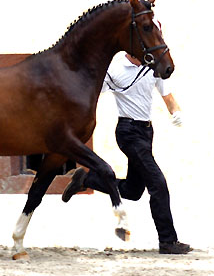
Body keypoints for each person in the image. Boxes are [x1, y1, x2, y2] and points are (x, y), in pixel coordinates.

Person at [62, 52, 191, 254]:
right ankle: (168, 241)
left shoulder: (153, 65)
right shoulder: (114, 69)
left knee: (133, 191)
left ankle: (87, 180)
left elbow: (168, 96)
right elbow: (90, 92)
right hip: (128, 132)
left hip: (146, 132)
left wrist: (176, 112)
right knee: (157, 184)